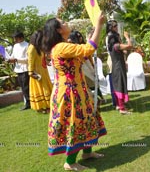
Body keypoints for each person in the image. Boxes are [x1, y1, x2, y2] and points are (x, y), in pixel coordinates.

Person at [43, 13, 107, 171]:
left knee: (86, 120)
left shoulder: (64, 45)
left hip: (78, 91)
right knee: (75, 123)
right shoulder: (61, 47)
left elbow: (84, 55)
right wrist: (99, 25)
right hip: (70, 94)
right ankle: (70, 162)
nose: (66, 23)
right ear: (58, 30)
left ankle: (87, 153)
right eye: (62, 23)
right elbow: (89, 49)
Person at [69, 30, 106, 104]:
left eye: (80, 36)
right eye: (78, 36)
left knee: (94, 83)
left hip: (88, 66)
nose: (80, 38)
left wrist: (92, 66)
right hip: (82, 68)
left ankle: (98, 99)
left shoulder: (83, 45)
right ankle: (93, 101)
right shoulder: (74, 47)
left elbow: (89, 54)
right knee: (86, 86)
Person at [106, 20, 132, 114]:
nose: (116, 27)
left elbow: (124, 50)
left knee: (118, 85)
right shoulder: (116, 45)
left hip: (117, 66)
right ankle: (122, 108)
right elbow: (129, 46)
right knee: (120, 85)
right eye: (115, 26)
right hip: (118, 67)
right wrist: (127, 37)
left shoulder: (113, 46)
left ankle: (120, 106)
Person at [27, 30, 52, 113]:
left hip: (43, 71)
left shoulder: (39, 47)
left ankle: (48, 106)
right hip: (37, 73)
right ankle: (41, 108)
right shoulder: (32, 48)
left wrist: (47, 61)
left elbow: (42, 58)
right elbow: (30, 62)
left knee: (46, 88)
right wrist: (31, 73)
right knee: (42, 90)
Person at [7, 31, 30, 111]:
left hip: (25, 69)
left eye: (16, 38)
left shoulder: (27, 45)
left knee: (26, 87)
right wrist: (9, 59)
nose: (14, 40)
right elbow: (13, 56)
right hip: (18, 69)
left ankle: (28, 103)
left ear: (21, 37)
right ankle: (27, 102)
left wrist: (16, 60)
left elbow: (27, 59)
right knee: (23, 87)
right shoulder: (15, 46)